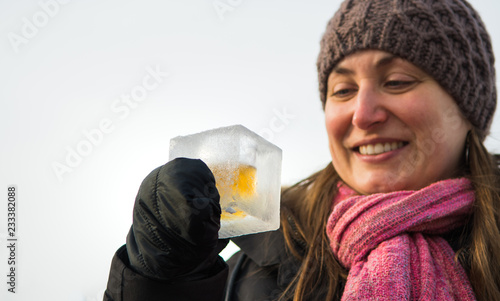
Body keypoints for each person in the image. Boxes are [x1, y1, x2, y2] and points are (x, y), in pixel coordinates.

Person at [103, 0, 500, 300]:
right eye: (342, 90)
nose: (362, 115)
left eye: (396, 81)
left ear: (467, 108)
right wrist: (163, 278)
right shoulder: (263, 263)